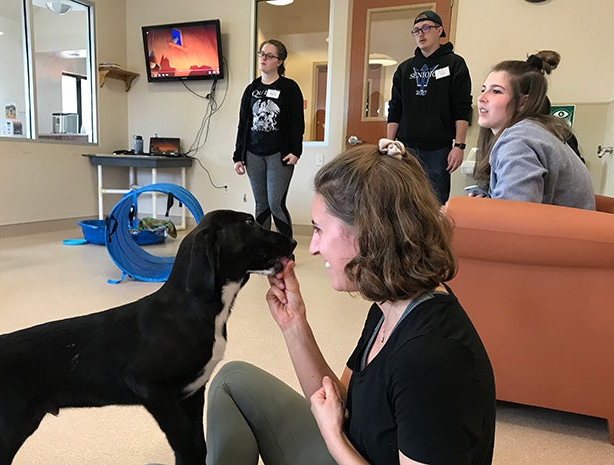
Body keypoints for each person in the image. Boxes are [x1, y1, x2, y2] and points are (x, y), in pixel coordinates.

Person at [206, 140, 496, 465]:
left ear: (369, 234)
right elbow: (337, 399)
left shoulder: (431, 357)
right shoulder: (391, 305)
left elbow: (337, 425)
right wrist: (294, 322)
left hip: (347, 455)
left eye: (318, 230)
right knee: (232, 381)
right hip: (351, 450)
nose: (312, 247)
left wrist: (334, 440)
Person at [474, 50, 595, 209]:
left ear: (523, 102)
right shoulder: (537, 132)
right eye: (483, 89)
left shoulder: (518, 142)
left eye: (496, 91)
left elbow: (513, 219)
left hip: (558, 233)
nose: (481, 98)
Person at [387, 10, 472, 204]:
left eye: (426, 28)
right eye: (416, 30)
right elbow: (395, 108)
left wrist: (459, 146)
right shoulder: (405, 68)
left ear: (439, 30)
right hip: (405, 147)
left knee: (435, 203)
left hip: (438, 149)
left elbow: (462, 107)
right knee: (403, 200)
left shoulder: (454, 64)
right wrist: (389, 143)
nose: (421, 34)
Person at [232, 39, 304, 238]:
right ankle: (263, 250)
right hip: (252, 153)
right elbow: (243, 124)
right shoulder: (251, 89)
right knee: (261, 204)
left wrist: (296, 151)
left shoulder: (289, 88)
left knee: (275, 203)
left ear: (279, 61)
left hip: (279, 154)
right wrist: (238, 156)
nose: (263, 58)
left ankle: (285, 250)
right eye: (261, 53)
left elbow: (298, 122)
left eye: (269, 55)